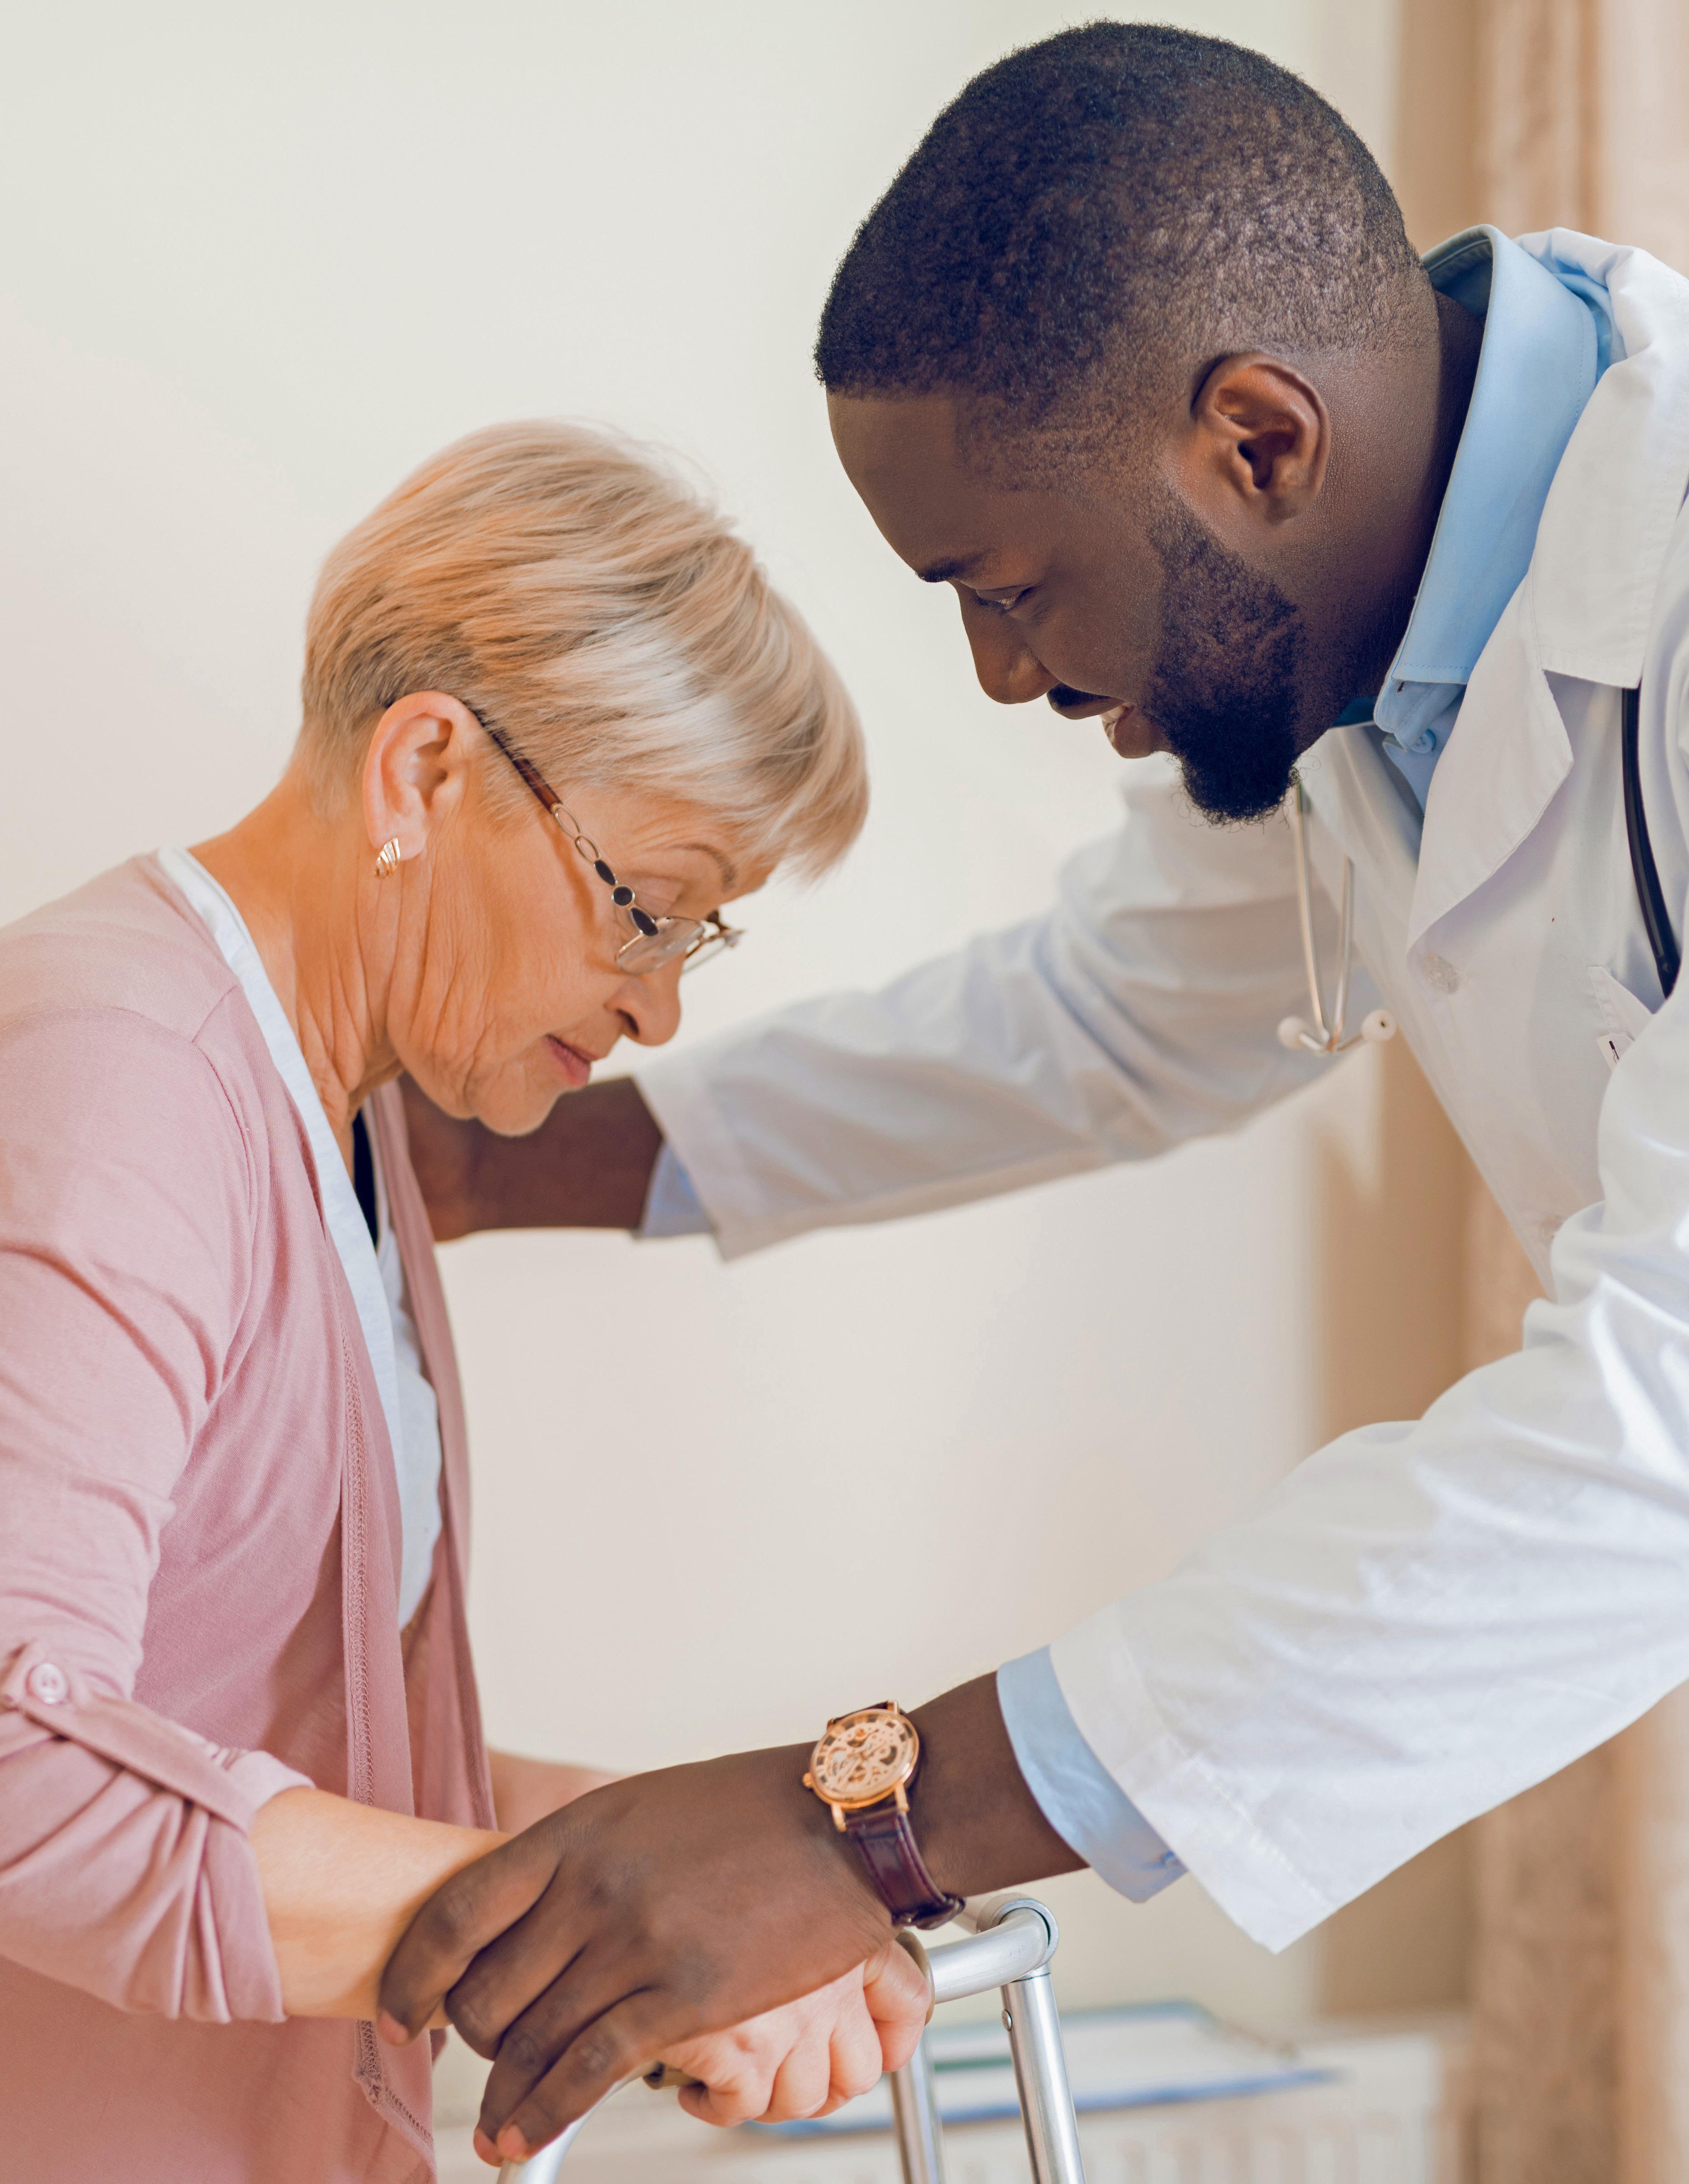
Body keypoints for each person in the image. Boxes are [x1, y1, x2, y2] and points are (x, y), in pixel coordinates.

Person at [374, 18, 1689, 2170]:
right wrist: (474, 1148)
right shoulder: (1362, 633)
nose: (1002, 676)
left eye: (1008, 588)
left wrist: (859, 1821)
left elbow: (1659, 1421)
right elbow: (1106, 1016)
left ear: (1255, 439)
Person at [0, 419, 929, 2181]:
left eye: (697, 940)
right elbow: (17, 1760)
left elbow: (260, 1741)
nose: (659, 1008)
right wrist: (596, 1923)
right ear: (424, 770)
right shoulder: (121, 1079)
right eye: (647, 909)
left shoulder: (351, 1120)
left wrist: (677, 1859)